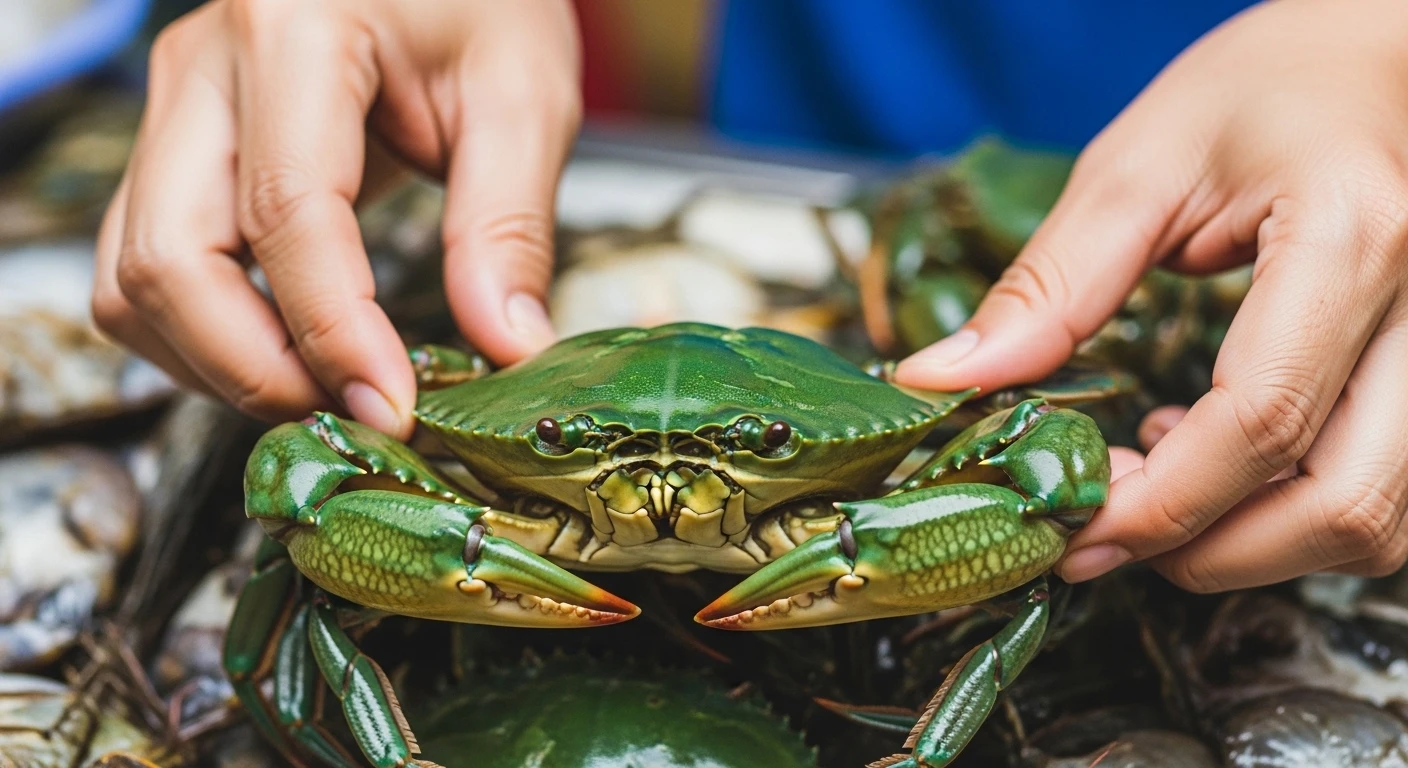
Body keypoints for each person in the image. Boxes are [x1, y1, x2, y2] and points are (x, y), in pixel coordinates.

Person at [91, 0, 1408, 597]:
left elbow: (1052, 467)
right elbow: (300, 480)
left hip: (1289, 204)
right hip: (795, 121)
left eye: (747, 464)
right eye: (559, 451)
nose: (666, 502)